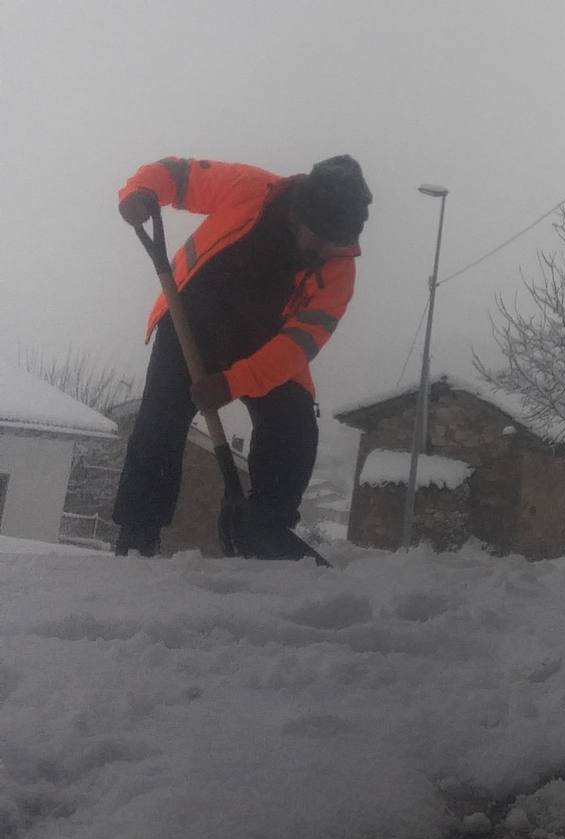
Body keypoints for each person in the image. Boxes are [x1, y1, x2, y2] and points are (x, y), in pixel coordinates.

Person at [112, 154, 371, 557]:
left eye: (335, 243)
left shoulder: (339, 270)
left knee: (294, 427)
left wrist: (232, 383)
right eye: (317, 237)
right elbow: (178, 176)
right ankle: (137, 531)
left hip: (265, 349)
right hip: (191, 321)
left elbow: (297, 346)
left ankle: (264, 527)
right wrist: (140, 192)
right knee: (161, 418)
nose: (323, 250)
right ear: (299, 214)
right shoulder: (250, 190)